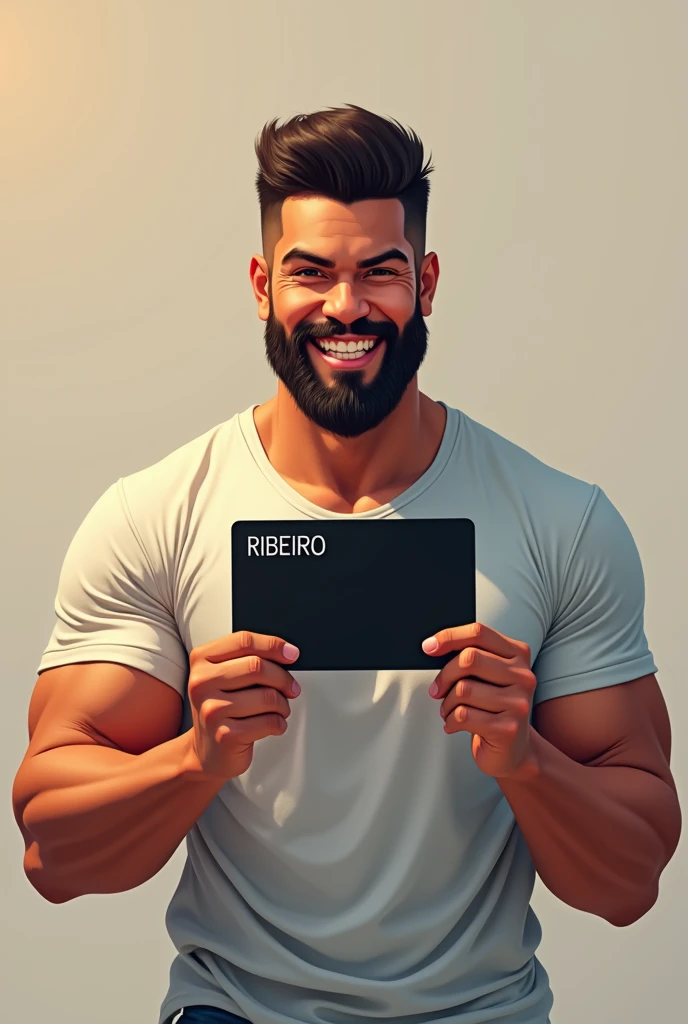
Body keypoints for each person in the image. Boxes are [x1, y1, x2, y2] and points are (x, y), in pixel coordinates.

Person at [12, 104, 681, 1024]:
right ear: (260, 285)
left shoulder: (561, 522)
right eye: (310, 272)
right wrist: (196, 758)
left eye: (381, 271)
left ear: (428, 282)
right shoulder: (155, 517)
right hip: (235, 1011)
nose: (346, 306)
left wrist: (526, 760)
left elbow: (632, 879)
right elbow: (53, 855)